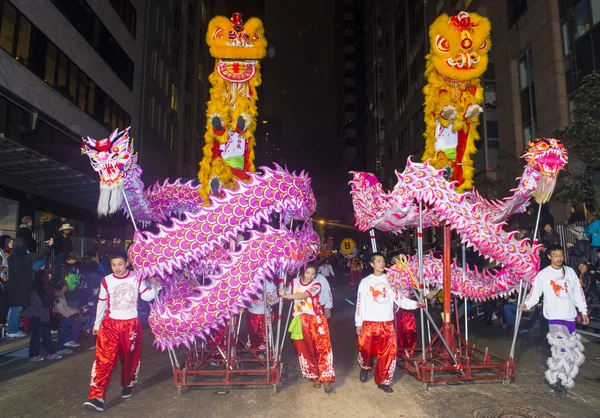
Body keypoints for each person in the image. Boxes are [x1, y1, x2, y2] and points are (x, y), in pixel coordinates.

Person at [84, 253, 161, 412]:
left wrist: (156, 285)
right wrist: (97, 324)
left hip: (130, 326)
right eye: (114, 265)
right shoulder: (106, 280)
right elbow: (102, 302)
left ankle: (127, 384)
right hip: (110, 326)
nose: (117, 268)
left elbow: (146, 296)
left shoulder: (137, 277)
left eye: (120, 264)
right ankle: (96, 397)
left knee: (129, 359)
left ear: (127, 263)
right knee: (104, 361)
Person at [518, 244, 589, 393]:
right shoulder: (543, 275)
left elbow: (578, 293)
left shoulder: (570, 272)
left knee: (569, 349)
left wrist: (584, 311)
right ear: (549, 257)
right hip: (554, 317)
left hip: (569, 316)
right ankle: (557, 379)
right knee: (560, 349)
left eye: (561, 255)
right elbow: (535, 293)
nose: (559, 258)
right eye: (555, 255)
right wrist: (526, 304)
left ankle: (565, 378)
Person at [355, 253, 421, 393]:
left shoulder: (391, 280)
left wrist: (416, 303)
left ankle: (383, 380)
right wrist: (358, 323)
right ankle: (365, 367)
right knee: (365, 349)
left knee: (388, 353)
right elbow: (360, 303)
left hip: (387, 323)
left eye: (383, 261)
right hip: (369, 322)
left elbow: (400, 299)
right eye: (378, 261)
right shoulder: (365, 282)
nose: (382, 263)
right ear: (372, 264)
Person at [279, 264, 335, 393]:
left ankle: (326, 378)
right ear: (303, 272)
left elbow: (303, 295)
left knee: (323, 348)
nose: (310, 276)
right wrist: (277, 297)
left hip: (316, 319)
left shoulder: (317, 284)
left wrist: (286, 296)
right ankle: (314, 375)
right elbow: (285, 293)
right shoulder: (294, 282)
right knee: (306, 349)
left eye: (313, 274)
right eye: (308, 273)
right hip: (300, 320)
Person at [6, 237, 52, 338]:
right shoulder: (25, 257)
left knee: (13, 308)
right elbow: (40, 254)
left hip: (12, 285)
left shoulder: (11, 257)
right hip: (20, 286)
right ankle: (12, 330)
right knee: (17, 308)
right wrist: (49, 246)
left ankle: (10, 329)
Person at [28, 270, 61, 361]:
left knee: (46, 335)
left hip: (42, 314)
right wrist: (51, 292)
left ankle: (51, 352)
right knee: (37, 336)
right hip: (37, 315)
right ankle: (33, 355)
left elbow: (51, 297)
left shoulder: (44, 288)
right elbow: (46, 302)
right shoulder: (38, 289)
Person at [246, 279, 278, 354]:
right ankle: (254, 349)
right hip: (252, 312)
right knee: (253, 333)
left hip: (265, 312)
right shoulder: (250, 280)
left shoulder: (269, 282)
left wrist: (268, 296)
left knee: (264, 334)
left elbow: (273, 299)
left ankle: (263, 352)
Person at [53, 280, 86, 352]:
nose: (67, 288)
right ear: (62, 288)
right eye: (65, 287)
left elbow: (66, 307)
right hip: (58, 318)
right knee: (68, 323)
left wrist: (75, 309)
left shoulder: (62, 295)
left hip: (64, 316)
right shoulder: (56, 298)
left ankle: (72, 341)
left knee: (78, 322)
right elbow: (63, 312)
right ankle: (65, 345)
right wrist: (75, 311)